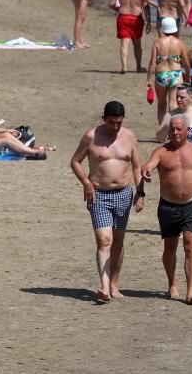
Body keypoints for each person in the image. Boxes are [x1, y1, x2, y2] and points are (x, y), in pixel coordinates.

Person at [69, 100, 144, 303]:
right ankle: (103, 287)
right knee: (104, 240)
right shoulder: (91, 136)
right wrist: (85, 182)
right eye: (112, 122)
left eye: (119, 122)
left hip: (123, 194)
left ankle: (114, 284)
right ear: (104, 118)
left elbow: (136, 167)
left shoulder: (129, 137)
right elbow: (75, 161)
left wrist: (141, 192)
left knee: (118, 241)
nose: (116, 127)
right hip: (98, 194)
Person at [140, 114, 192, 305]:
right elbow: (148, 165)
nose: (175, 132)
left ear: (188, 131)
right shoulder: (161, 152)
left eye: (179, 129)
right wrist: (146, 171)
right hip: (168, 206)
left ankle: (191, 292)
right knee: (170, 246)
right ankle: (172, 282)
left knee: (190, 244)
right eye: (172, 129)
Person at [108, 0, 151, 74]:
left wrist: (118, 9)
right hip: (136, 19)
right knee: (137, 44)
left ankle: (124, 66)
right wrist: (149, 21)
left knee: (124, 43)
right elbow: (146, 6)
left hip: (123, 17)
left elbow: (111, 3)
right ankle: (139, 66)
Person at [147, 18, 191, 124]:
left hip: (161, 74)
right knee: (173, 103)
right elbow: (186, 63)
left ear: (163, 28)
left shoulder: (157, 42)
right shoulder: (179, 43)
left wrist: (148, 79)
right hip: (175, 74)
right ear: (175, 29)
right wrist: (188, 77)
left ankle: (163, 132)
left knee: (161, 104)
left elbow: (152, 63)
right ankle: (173, 129)